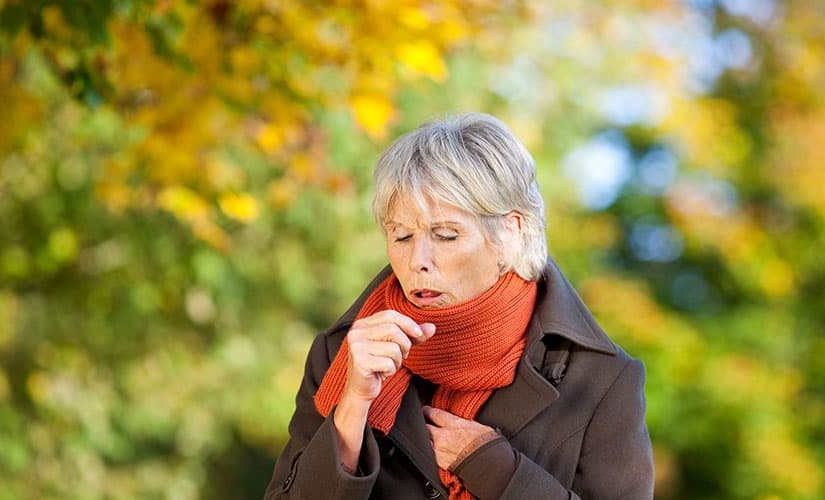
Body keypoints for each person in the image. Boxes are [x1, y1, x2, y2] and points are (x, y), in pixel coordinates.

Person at [264, 113, 653, 499]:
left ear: (510, 233)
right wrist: (351, 408)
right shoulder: (345, 355)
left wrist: (497, 470)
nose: (418, 259)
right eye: (401, 237)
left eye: (446, 235)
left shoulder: (601, 379)